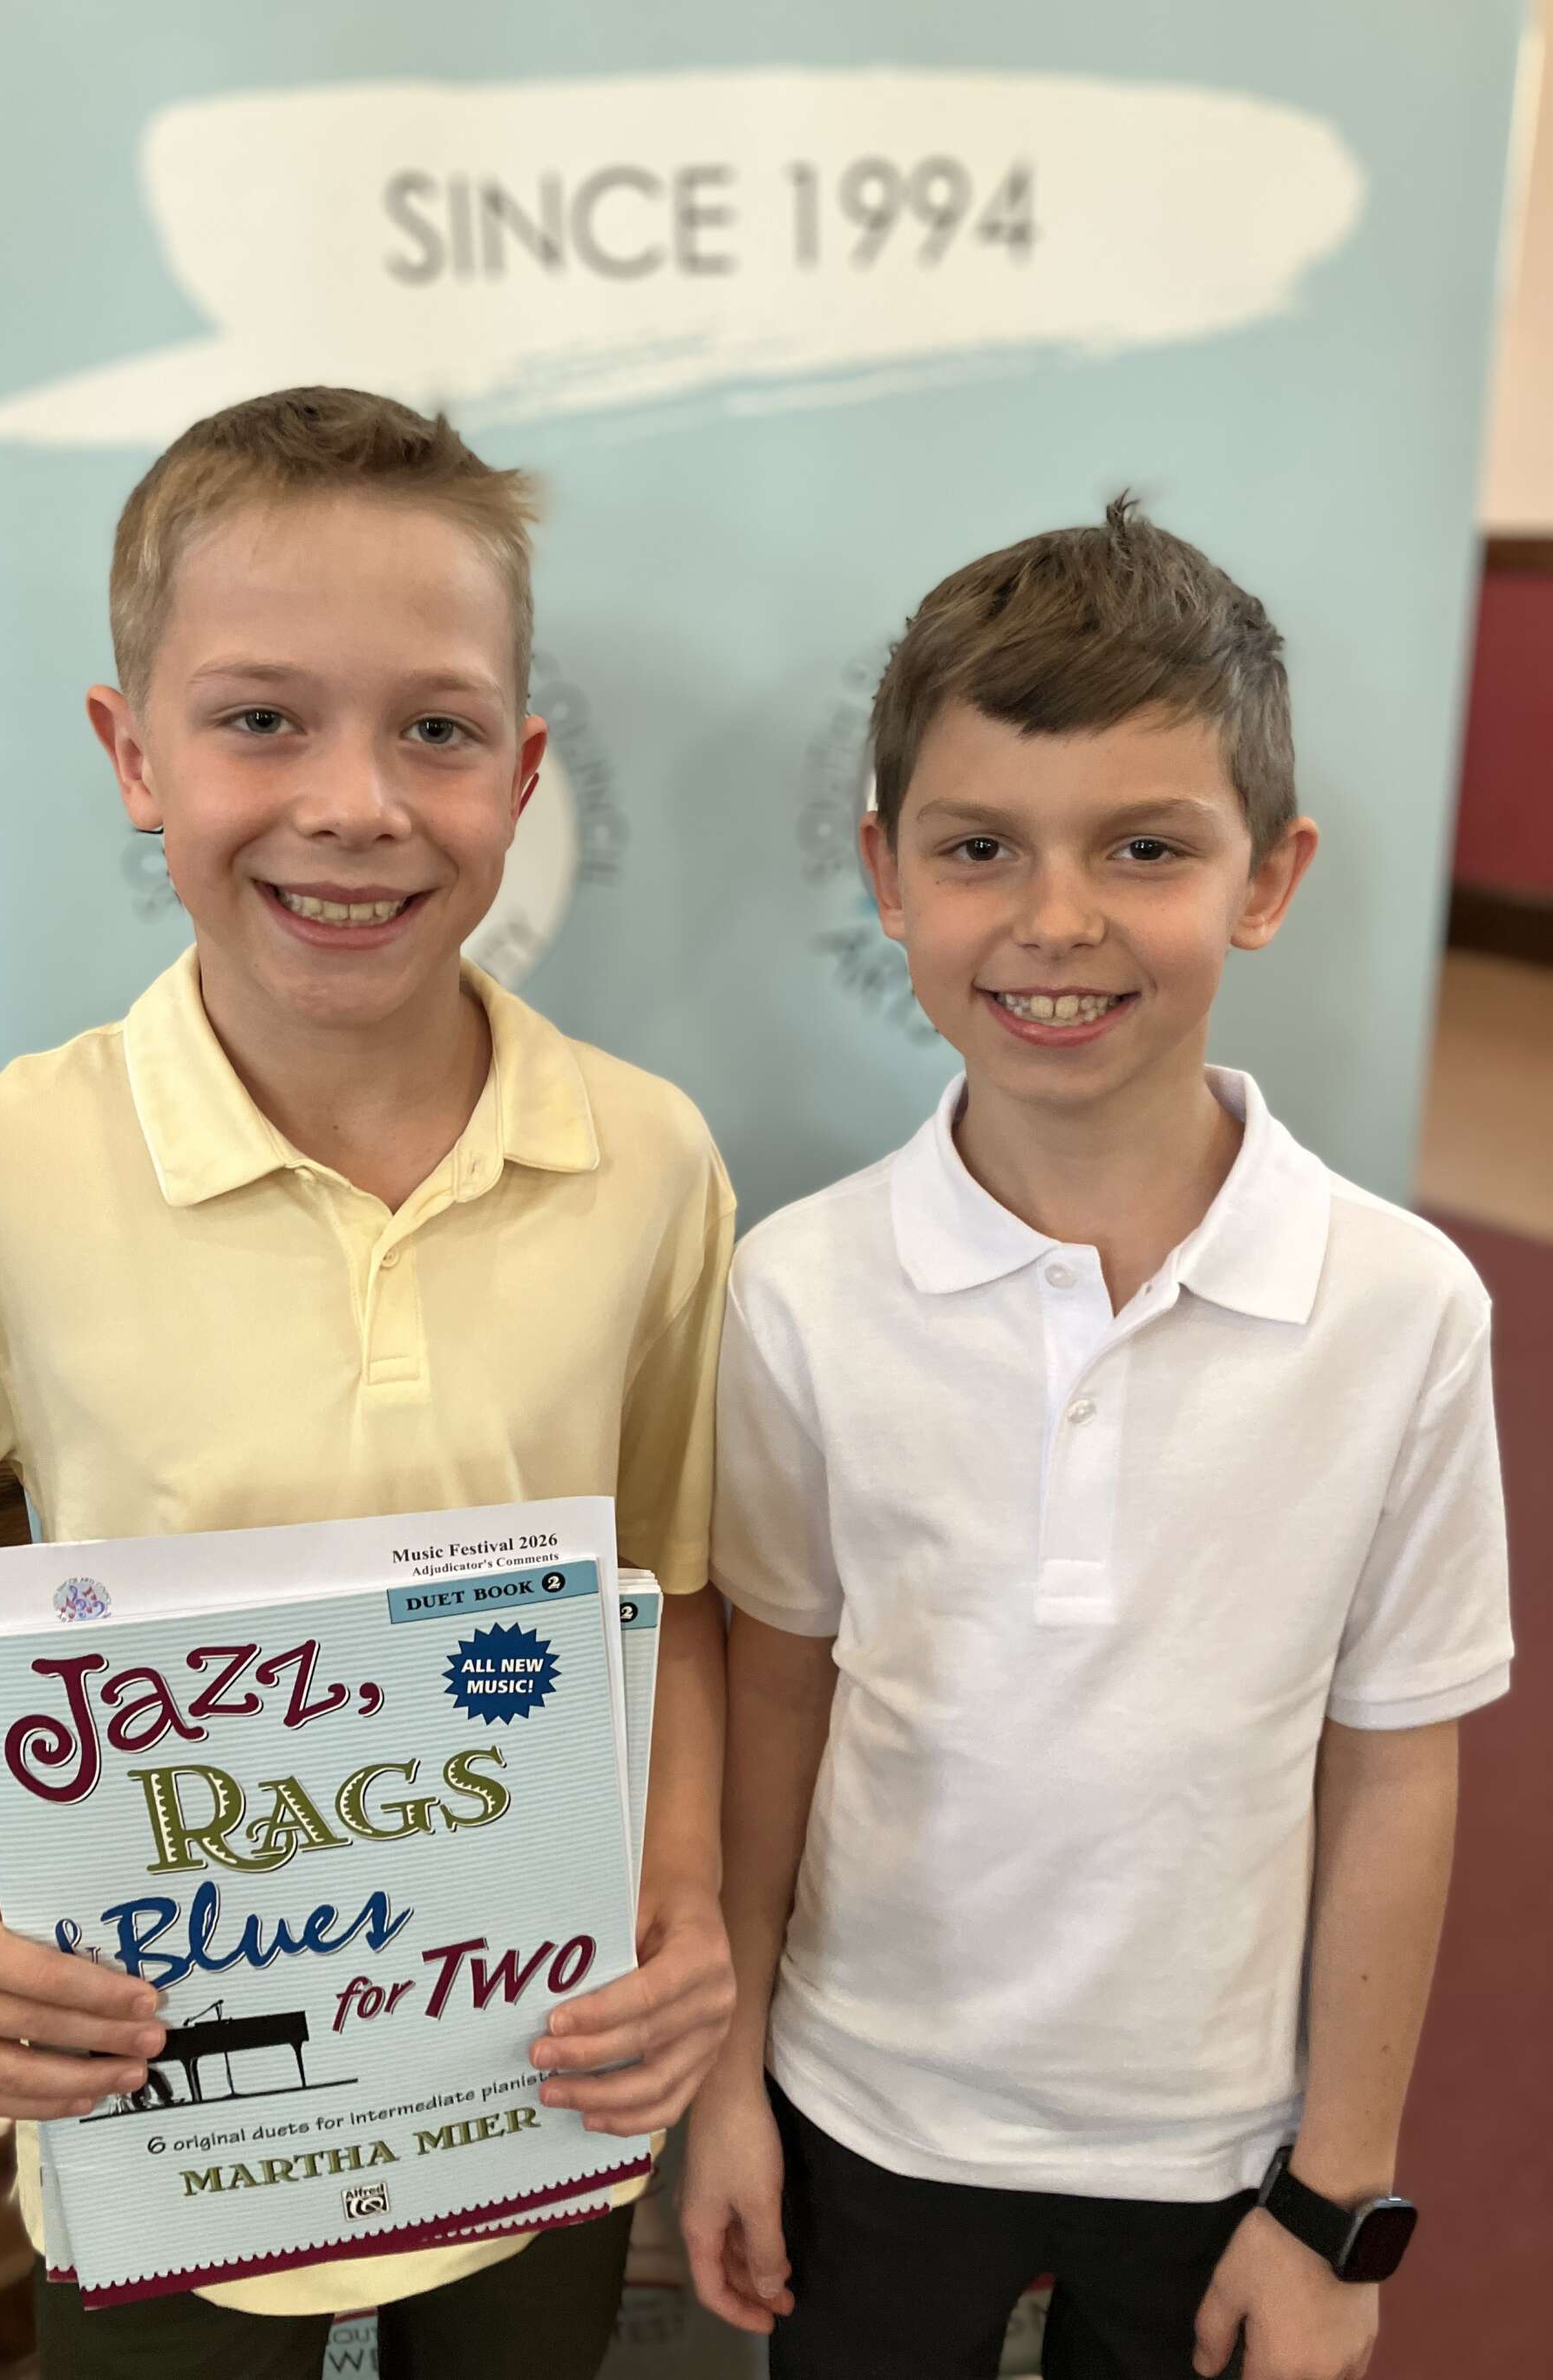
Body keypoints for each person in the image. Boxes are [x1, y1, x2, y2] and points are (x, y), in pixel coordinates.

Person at [0, 387, 736, 2380]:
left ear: (521, 772)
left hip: (524, 2090)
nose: (355, 802)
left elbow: (682, 1577)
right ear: (134, 752)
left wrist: (683, 1883)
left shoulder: (649, 1163)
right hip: (160, 2118)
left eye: (436, 729)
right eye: (261, 718)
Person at [680, 499, 1511, 2380]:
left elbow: (1397, 1762)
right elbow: (775, 1695)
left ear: (1267, 875)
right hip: (865, 2108)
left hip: (1218, 2144)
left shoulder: (1400, 1309)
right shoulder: (799, 1288)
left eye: (1146, 847)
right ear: (889, 872)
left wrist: (1336, 2198)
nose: (1055, 922)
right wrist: (727, 2086)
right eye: (981, 847)